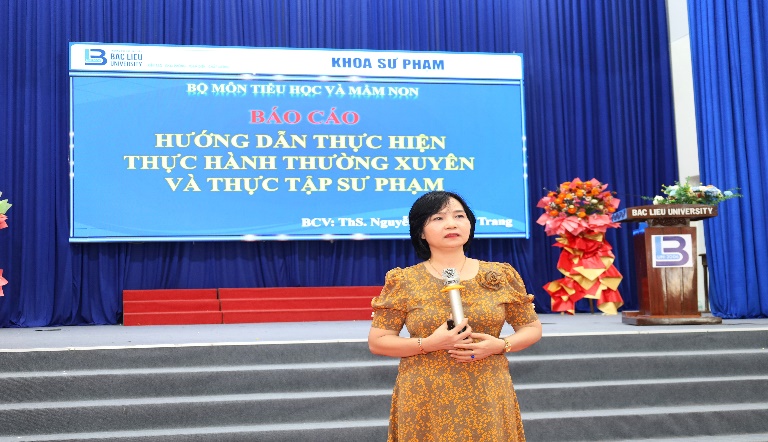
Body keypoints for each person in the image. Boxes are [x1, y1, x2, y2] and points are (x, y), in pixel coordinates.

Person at [368, 190, 542, 441]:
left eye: (459, 216)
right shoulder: (404, 280)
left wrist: (501, 345)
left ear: (470, 224)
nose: (451, 224)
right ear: (420, 231)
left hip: (487, 391)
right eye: (438, 218)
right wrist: (429, 344)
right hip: (426, 394)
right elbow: (378, 341)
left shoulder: (501, 275)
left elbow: (531, 328)